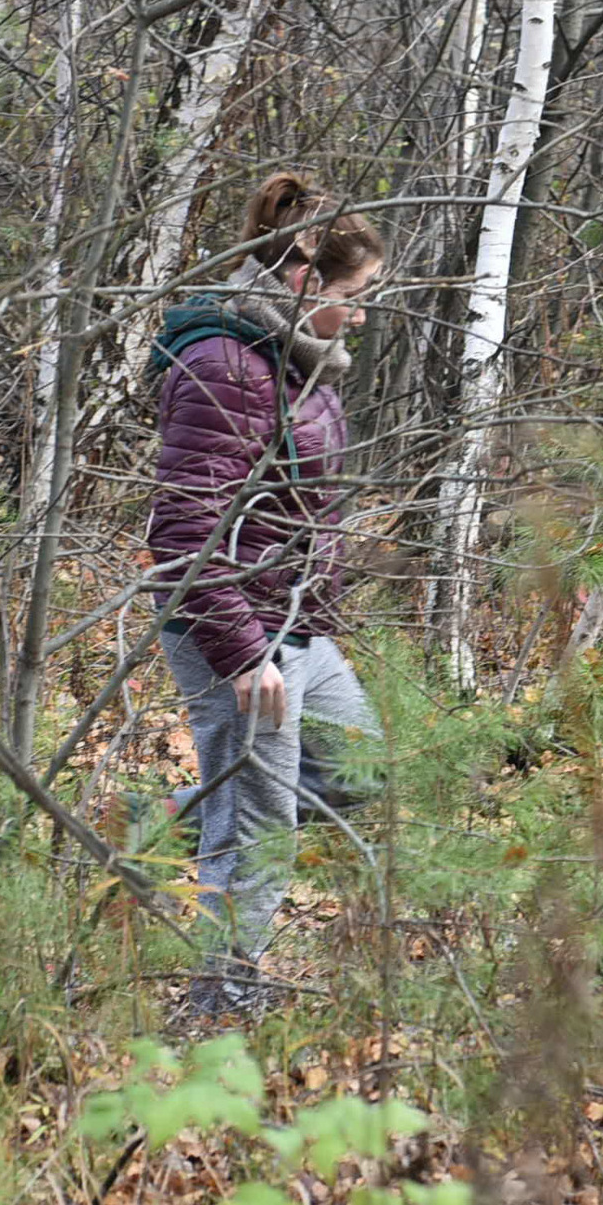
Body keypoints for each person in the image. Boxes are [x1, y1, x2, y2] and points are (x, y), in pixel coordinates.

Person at [145, 171, 387, 1019]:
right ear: (299, 278)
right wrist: (244, 653)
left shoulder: (299, 359)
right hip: (233, 624)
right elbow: (183, 532)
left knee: (360, 767)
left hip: (291, 620)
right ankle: (218, 1003)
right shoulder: (227, 365)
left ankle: (170, 814)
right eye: (353, 295)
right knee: (259, 832)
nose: (361, 314)